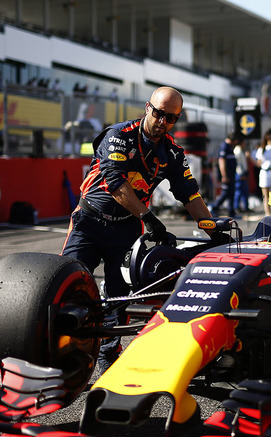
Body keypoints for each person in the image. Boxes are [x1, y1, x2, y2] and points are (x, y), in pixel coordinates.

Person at [61, 86, 214, 370]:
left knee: (119, 297)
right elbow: (116, 183)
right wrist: (149, 218)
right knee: (66, 287)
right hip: (89, 222)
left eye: (171, 118)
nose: (162, 122)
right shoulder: (118, 135)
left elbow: (190, 194)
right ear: (147, 108)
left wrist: (212, 230)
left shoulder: (173, 153)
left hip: (126, 230)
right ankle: (64, 356)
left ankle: (107, 357)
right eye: (158, 113)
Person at [209, 132, 238, 218]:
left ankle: (231, 211)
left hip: (231, 174)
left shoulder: (230, 147)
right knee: (225, 193)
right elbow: (222, 161)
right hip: (227, 175)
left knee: (231, 193)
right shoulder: (224, 147)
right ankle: (213, 207)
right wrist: (224, 175)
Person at [255, 129, 271, 216]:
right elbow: (258, 163)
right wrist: (249, 158)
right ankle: (268, 214)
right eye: (269, 135)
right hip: (265, 173)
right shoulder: (262, 149)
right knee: (266, 196)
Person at [232, 137, 250, 213]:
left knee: (244, 191)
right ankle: (236, 207)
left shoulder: (240, 151)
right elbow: (238, 163)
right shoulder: (238, 151)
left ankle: (245, 207)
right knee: (239, 191)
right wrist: (240, 173)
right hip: (240, 173)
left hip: (242, 172)